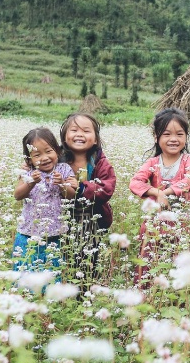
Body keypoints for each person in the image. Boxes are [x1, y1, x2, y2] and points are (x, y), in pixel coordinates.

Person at [129, 107, 190, 285]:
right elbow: (135, 183)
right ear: (156, 137)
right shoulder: (152, 162)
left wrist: (166, 192)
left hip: (184, 221)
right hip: (157, 222)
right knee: (151, 259)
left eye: (179, 134)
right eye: (167, 134)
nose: (173, 139)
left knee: (183, 259)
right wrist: (156, 192)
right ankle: (148, 295)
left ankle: (180, 298)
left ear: (186, 137)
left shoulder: (187, 160)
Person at [60, 112, 117, 284]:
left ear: (96, 140)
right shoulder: (58, 158)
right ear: (64, 137)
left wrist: (84, 187)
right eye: (74, 130)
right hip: (61, 219)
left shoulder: (99, 162)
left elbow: (107, 187)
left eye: (86, 131)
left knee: (88, 259)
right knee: (63, 257)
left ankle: (84, 293)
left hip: (90, 220)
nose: (79, 134)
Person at [12, 127, 75, 274]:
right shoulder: (28, 172)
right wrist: (31, 182)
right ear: (29, 159)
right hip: (28, 233)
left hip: (54, 235)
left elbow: (71, 195)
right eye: (37, 155)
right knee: (25, 273)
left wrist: (61, 184)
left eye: (48, 151)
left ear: (57, 151)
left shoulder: (64, 169)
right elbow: (17, 195)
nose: (44, 158)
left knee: (51, 274)